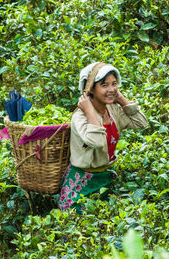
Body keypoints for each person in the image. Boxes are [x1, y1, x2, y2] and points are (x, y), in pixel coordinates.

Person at [57, 62, 148, 212]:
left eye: (114, 84)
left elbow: (141, 122)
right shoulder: (80, 117)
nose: (111, 89)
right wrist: (89, 111)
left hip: (105, 179)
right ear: (91, 88)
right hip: (81, 184)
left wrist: (121, 99)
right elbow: (97, 141)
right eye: (104, 85)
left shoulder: (113, 110)